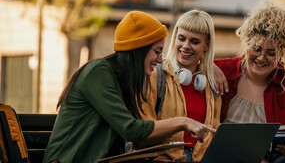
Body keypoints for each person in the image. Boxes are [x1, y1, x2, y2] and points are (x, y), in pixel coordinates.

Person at [43, 10, 216, 163]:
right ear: (137, 49)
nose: (160, 60)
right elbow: (130, 129)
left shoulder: (126, 78)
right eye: (157, 51)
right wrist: (182, 122)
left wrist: (214, 67)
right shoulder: (98, 73)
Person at [214, 3, 285, 163]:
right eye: (256, 49)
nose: (261, 58)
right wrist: (205, 66)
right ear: (247, 44)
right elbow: (183, 64)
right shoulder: (223, 71)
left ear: (281, 53)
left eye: (271, 53)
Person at [139, 9, 222, 162]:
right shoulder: (155, 75)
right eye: (181, 38)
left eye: (195, 41)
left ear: (207, 45)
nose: (186, 46)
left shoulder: (211, 85)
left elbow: (213, 137)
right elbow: (141, 133)